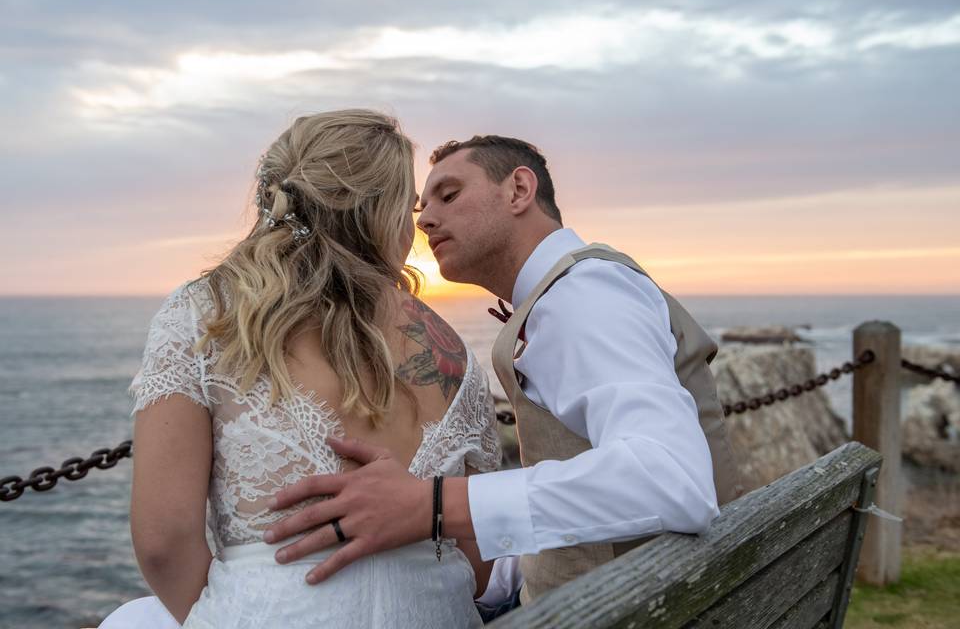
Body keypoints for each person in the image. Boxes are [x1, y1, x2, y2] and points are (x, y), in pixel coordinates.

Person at [262, 135, 744, 612]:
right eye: (420, 210)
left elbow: (672, 479)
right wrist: (486, 576)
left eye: (449, 196)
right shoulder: (565, 294)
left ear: (518, 190)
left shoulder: (583, 294)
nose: (426, 219)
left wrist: (431, 504)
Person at [101, 111, 501, 628]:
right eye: (409, 209)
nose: (415, 227)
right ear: (381, 214)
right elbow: (480, 560)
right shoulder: (452, 350)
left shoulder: (205, 315)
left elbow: (162, 541)